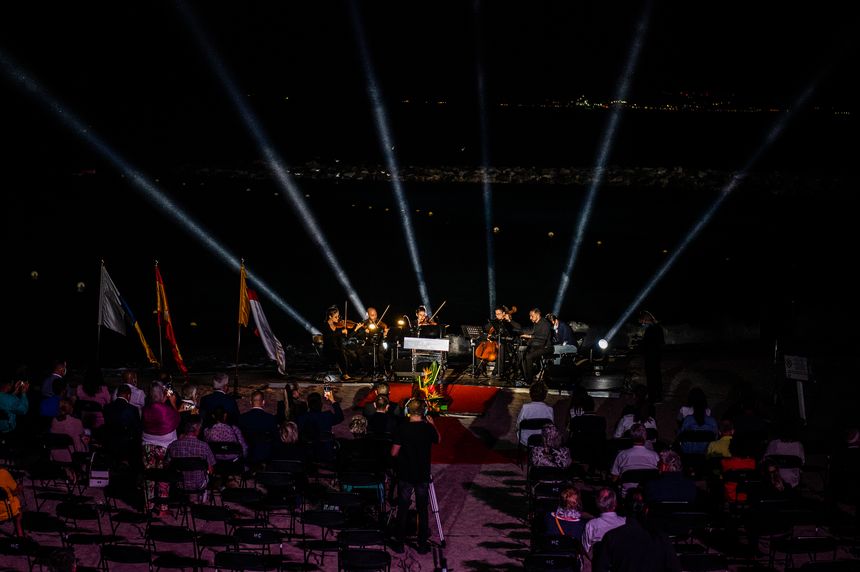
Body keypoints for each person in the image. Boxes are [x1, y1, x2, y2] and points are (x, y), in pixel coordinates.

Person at [391, 398, 440, 554]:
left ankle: (399, 544)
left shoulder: (402, 428)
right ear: (424, 412)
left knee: (403, 508)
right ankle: (422, 544)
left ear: (407, 411)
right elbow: (438, 440)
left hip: (405, 474)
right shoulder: (427, 428)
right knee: (422, 509)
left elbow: (394, 452)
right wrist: (432, 424)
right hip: (422, 475)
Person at [593, 489, 681, 572]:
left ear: (625, 508)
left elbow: (600, 568)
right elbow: (674, 568)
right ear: (646, 510)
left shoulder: (611, 537)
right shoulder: (661, 538)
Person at [141, 381, 180, 515]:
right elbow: (176, 418)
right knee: (163, 476)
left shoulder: (146, 409)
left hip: (147, 446)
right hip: (164, 447)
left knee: (149, 477)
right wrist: (173, 403)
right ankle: (162, 508)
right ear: (162, 395)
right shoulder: (166, 410)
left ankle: (148, 504)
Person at [165, 418, 216, 502]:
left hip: (179, 484)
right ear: (197, 430)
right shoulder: (204, 446)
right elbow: (211, 470)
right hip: (199, 485)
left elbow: (167, 465)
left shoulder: (173, 445)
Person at [296, 389, 344, 464]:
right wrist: (332, 400)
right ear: (321, 404)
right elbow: (340, 417)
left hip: (308, 453)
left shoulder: (301, 418)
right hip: (326, 452)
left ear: (308, 405)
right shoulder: (327, 416)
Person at [610, 423, 659, 495]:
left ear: (631, 436)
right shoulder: (654, 455)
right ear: (645, 436)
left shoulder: (622, 455)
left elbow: (614, 478)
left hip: (627, 495)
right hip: (649, 494)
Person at [103, 384, 142, 465]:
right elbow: (137, 430)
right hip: (127, 447)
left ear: (117, 394)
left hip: (110, 443)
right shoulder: (133, 409)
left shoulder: (107, 407)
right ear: (129, 395)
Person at [238, 390, 280, 465]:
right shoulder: (271, 418)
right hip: (266, 455)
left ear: (251, 402)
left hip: (248, 454)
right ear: (263, 402)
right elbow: (276, 438)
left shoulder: (242, 418)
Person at [582, 488, 626, 555]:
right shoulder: (625, 522)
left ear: (598, 504)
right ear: (615, 503)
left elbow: (585, 550)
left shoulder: (592, 525)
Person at [50, 398, 88, 464]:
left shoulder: (54, 421)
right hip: (72, 456)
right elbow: (81, 438)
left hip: (55, 454)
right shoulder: (76, 422)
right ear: (71, 408)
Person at [520, 308, 553, 385]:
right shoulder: (536, 324)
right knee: (522, 354)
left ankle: (529, 380)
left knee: (529, 357)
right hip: (537, 346)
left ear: (537, 315)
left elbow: (543, 337)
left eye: (532, 316)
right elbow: (533, 334)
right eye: (530, 316)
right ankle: (526, 376)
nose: (530, 318)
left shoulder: (546, 323)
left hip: (545, 347)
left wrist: (530, 336)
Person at [638, 310, 665, 404]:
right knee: (655, 376)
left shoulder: (652, 329)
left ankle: (655, 397)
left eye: (642, 321)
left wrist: (641, 343)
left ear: (646, 320)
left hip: (652, 357)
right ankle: (656, 396)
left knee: (652, 377)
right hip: (655, 356)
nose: (642, 324)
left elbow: (649, 344)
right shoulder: (657, 328)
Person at [323, 305, 353, 381]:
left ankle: (347, 372)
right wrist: (341, 332)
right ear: (330, 316)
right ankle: (344, 374)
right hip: (329, 349)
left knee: (350, 353)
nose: (338, 318)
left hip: (337, 348)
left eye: (338, 316)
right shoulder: (325, 325)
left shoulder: (338, 325)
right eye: (336, 317)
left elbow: (343, 338)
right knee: (340, 352)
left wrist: (345, 332)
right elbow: (329, 337)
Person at [0, 467, 24, 537]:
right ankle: (20, 537)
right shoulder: (3, 473)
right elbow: (16, 491)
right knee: (18, 510)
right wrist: (20, 487)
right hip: (6, 512)